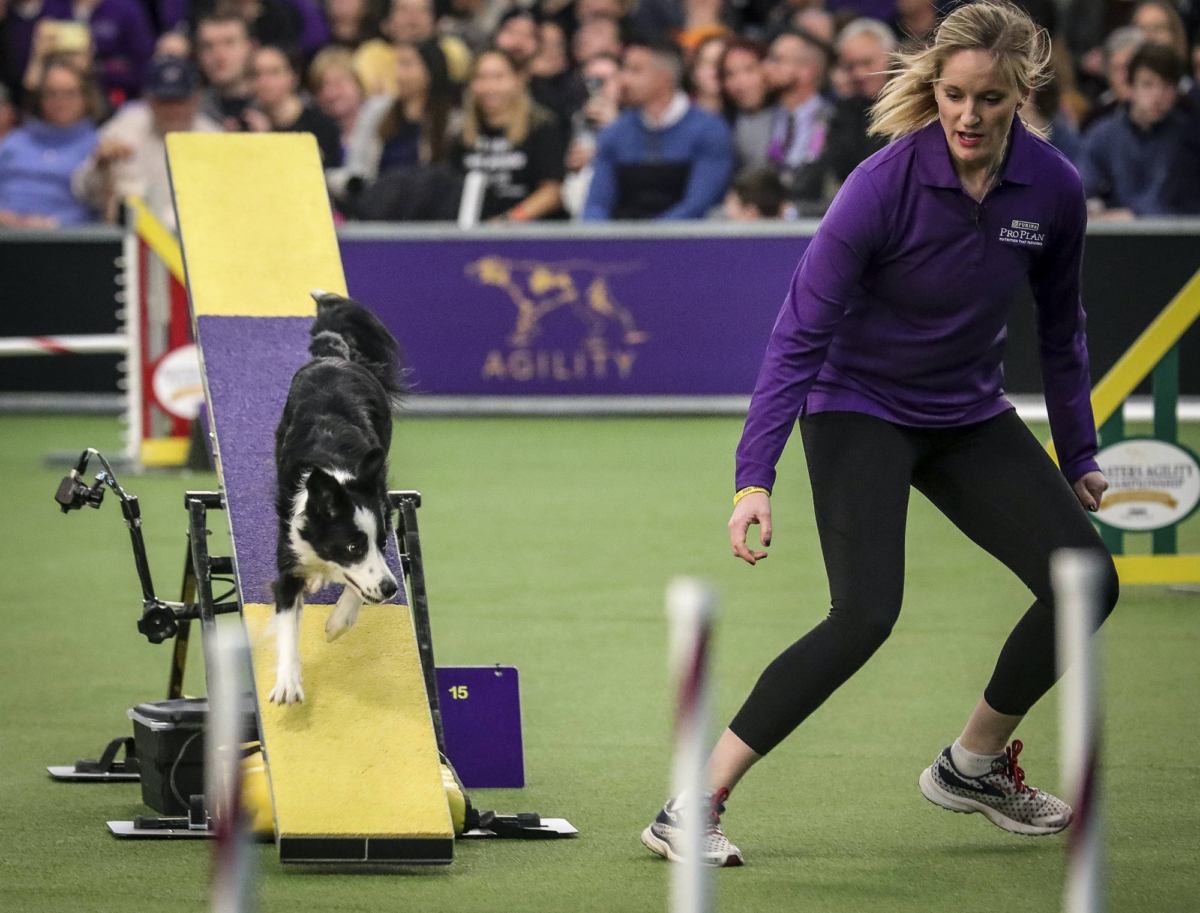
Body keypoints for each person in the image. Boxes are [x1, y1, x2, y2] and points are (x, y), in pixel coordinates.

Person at [641, 0, 1119, 867]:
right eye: (954, 95)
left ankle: (973, 764)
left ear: (1023, 97)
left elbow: (1062, 327)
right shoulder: (881, 185)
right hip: (858, 405)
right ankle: (691, 802)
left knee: (1084, 579)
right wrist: (755, 479)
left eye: (992, 100)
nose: (969, 116)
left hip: (966, 412)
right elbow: (797, 336)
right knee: (864, 612)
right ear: (932, 87)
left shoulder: (1052, 187)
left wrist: (1078, 449)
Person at [583, 39, 733, 220]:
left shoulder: (709, 130)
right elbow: (597, 203)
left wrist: (648, 240)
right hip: (623, 240)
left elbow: (698, 204)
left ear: (664, 77)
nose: (624, 79)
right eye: (624, 69)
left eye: (635, 70)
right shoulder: (614, 133)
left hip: (687, 242)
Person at [74, 57, 221, 224]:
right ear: (148, 100)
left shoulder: (214, 139)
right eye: (164, 101)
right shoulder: (125, 127)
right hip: (132, 236)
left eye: (179, 101)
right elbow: (81, 191)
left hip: (192, 239)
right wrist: (100, 165)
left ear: (196, 100)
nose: (172, 110)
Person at [451, 48, 566, 221]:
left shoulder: (541, 127)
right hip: (473, 231)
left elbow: (552, 192)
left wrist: (508, 221)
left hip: (530, 232)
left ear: (518, 80)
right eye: (481, 78)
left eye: (499, 77)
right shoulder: (460, 134)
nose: (490, 87)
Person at [1081, 42, 1193, 217]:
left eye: (1167, 86)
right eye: (1148, 84)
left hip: (1174, 238)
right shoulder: (1102, 135)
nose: (1158, 96)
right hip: (1113, 238)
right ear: (1131, 87)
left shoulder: (1189, 136)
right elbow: (1080, 190)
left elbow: (1187, 203)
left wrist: (1133, 215)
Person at [330, 39, 451, 200]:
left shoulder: (450, 119)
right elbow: (356, 167)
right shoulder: (377, 110)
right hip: (378, 203)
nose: (398, 74)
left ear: (431, 69)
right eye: (398, 65)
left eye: (406, 65)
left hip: (426, 208)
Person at [0, 57, 99, 226]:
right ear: (40, 98)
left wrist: (54, 223)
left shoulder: (98, 147)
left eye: (69, 93)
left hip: (70, 242)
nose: (59, 102)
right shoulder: (11, 143)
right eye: (51, 93)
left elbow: (99, 208)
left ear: (86, 97)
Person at [763, 28, 833, 207]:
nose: (765, 66)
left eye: (776, 60)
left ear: (806, 71)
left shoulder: (835, 121)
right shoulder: (759, 119)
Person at [38, 0, 154, 106]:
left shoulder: (125, 9)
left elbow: (143, 68)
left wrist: (96, 66)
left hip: (114, 97)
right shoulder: (52, 7)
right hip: (56, 93)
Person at [820, 18, 893, 185]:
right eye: (851, 66)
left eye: (867, 63)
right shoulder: (845, 109)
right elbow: (840, 167)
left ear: (892, 56)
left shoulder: (912, 106)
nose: (859, 74)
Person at [246, 44, 343, 166]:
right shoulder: (246, 125)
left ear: (293, 77)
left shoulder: (320, 125)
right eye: (256, 74)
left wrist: (266, 140)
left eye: (273, 72)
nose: (264, 82)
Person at [353, 0, 469, 94]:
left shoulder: (452, 52)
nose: (413, 20)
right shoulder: (370, 56)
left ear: (436, 22)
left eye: (423, 10)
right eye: (403, 10)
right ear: (385, 23)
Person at [720, 37, 772, 168]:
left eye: (749, 70)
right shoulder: (724, 125)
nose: (740, 83)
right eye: (730, 74)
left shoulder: (792, 115)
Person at [1079, 25, 1143, 133]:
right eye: (1117, 69)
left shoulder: (1171, 113)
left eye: (1130, 67)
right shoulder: (1096, 118)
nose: (1125, 76)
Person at [196, 12, 255, 128]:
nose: (218, 55)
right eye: (208, 46)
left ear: (250, 47)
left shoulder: (275, 108)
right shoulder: (189, 111)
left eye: (229, 42)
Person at [311, 46, 365, 155]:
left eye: (339, 83)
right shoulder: (317, 132)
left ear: (358, 83)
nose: (331, 93)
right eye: (322, 86)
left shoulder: (382, 122)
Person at [688, 34, 725, 115]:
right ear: (694, 71)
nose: (715, 70)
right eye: (707, 63)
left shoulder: (744, 114)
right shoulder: (679, 113)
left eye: (721, 63)